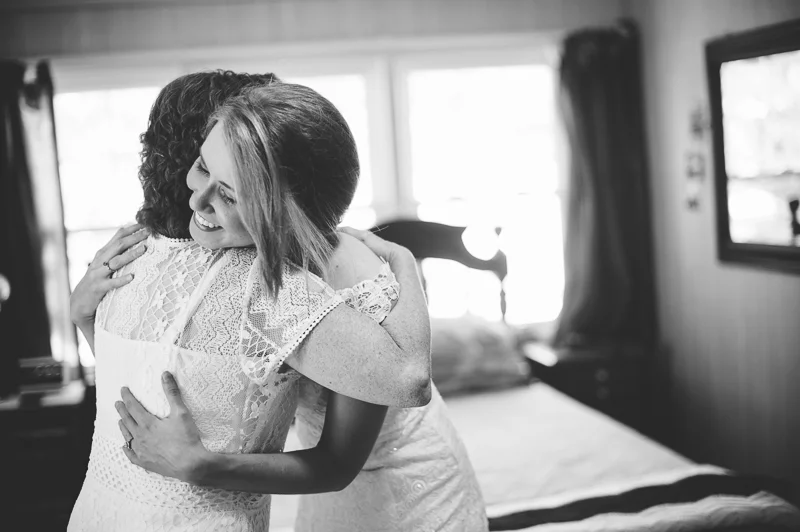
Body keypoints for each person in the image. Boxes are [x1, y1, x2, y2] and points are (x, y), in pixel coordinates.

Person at [71, 72, 488, 531]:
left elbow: (398, 393)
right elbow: (186, 380)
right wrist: (88, 316)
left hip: (403, 486)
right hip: (326, 482)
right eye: (203, 166)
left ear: (278, 207)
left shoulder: (339, 269)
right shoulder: (235, 256)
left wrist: (405, 261)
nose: (196, 201)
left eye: (229, 194)